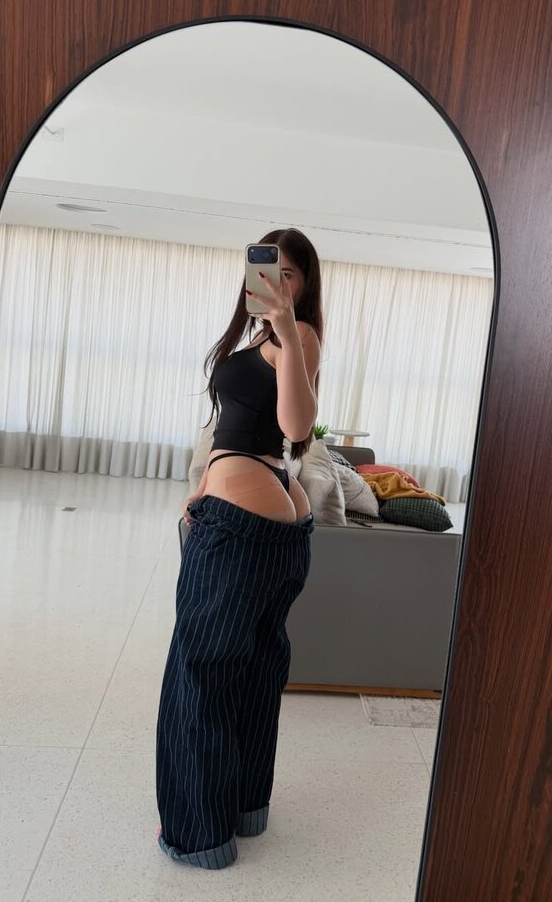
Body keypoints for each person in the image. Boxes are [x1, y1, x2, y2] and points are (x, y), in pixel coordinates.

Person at [155, 228, 322, 869]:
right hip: (261, 517)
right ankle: (245, 811)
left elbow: (296, 428)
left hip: (243, 526)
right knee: (254, 670)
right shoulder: (256, 340)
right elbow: (234, 427)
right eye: (266, 269)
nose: (276, 282)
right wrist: (204, 483)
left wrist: (286, 329)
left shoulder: (295, 336)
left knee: (199, 675)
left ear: (303, 284)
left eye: (290, 274)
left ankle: (199, 836)